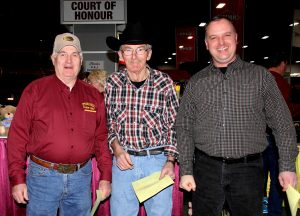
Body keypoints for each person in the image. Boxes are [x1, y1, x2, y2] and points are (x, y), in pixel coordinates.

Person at [175, 16, 298, 216]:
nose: (221, 43)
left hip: (248, 172)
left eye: (227, 35)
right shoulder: (196, 83)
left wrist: (287, 166)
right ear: (207, 44)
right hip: (206, 170)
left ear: (236, 38)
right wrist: (187, 169)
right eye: (214, 37)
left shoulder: (261, 77)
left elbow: (282, 123)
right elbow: (184, 127)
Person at [7, 32, 112, 216]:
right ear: (54, 58)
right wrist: (17, 179)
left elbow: (101, 138)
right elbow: (17, 136)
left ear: (81, 60)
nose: (69, 60)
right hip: (42, 178)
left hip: (81, 178)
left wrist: (105, 177)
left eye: (74, 54)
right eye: (63, 54)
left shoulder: (94, 95)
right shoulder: (35, 91)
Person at [105, 22, 179, 216]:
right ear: (120, 56)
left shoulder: (164, 83)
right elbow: (108, 123)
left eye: (140, 50)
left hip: (156, 162)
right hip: (123, 162)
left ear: (149, 54)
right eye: (128, 51)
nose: (135, 57)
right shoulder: (112, 83)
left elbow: (174, 126)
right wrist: (117, 149)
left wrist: (170, 161)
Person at [263, 51, 300, 215]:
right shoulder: (280, 82)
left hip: (257, 138)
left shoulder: (259, 78)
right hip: (274, 137)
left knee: (257, 178)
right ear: (283, 63)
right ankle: (274, 212)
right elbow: (284, 113)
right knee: (279, 179)